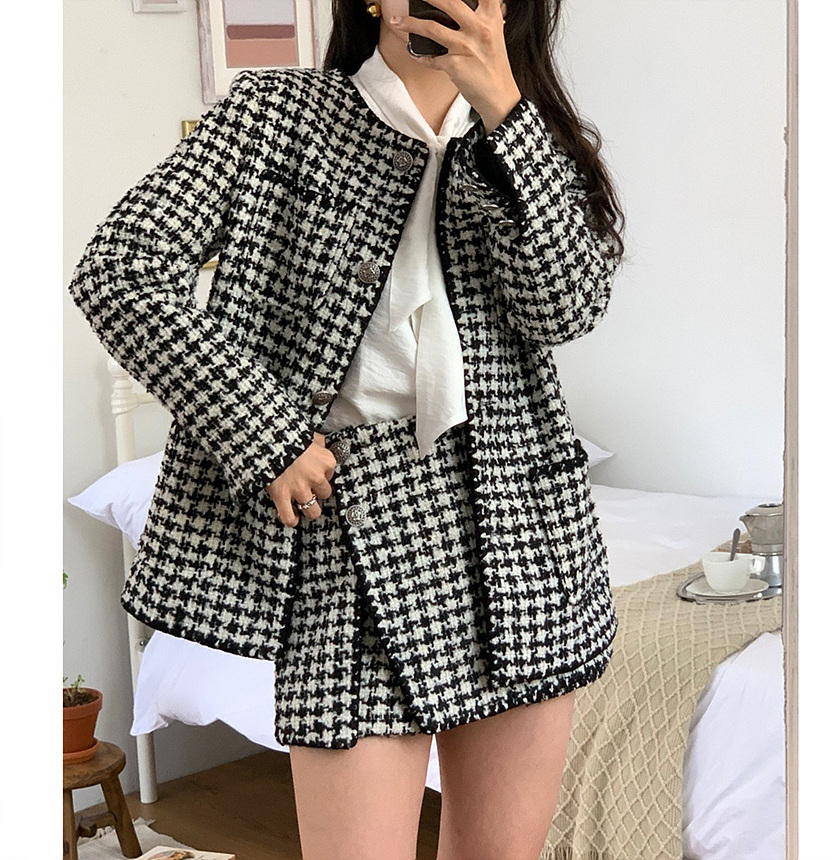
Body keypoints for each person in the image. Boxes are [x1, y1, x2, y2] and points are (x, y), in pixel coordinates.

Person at [67, 0, 626, 855]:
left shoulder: (529, 139)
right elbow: (120, 270)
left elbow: (565, 308)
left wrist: (504, 115)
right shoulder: (276, 116)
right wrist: (269, 435)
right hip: (345, 522)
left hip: (520, 528)